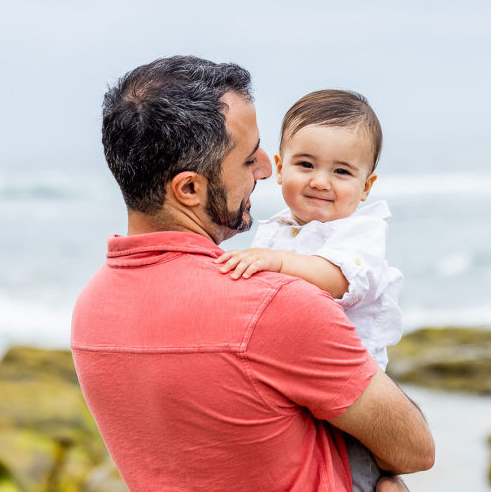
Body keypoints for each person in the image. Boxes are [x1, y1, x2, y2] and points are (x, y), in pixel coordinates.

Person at [71, 56, 433, 491]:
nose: (266, 169)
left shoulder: (91, 310)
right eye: (248, 160)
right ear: (189, 188)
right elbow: (415, 450)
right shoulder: (273, 305)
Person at [214, 89, 403, 491]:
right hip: (296, 380)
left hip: (351, 387)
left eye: (342, 172)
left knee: (352, 474)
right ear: (280, 168)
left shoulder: (361, 230)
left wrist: (275, 263)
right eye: (305, 164)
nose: (320, 182)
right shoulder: (275, 228)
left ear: (366, 185)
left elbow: (336, 278)